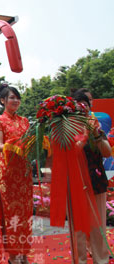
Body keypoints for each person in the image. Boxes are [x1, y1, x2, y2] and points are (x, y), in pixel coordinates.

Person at [0, 84, 31, 264]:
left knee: (25, 213)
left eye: (17, 97)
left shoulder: (25, 121)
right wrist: (11, 146)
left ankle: (24, 254)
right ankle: (13, 256)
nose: (15, 100)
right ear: (3, 100)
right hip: (8, 172)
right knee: (10, 213)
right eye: (11, 97)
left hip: (24, 172)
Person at [71, 88, 111, 264]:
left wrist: (95, 134)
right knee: (78, 228)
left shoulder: (96, 126)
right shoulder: (67, 128)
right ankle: (79, 260)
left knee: (98, 224)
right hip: (75, 182)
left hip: (96, 181)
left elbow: (107, 153)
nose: (84, 108)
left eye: (87, 104)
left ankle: (100, 259)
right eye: (80, 105)